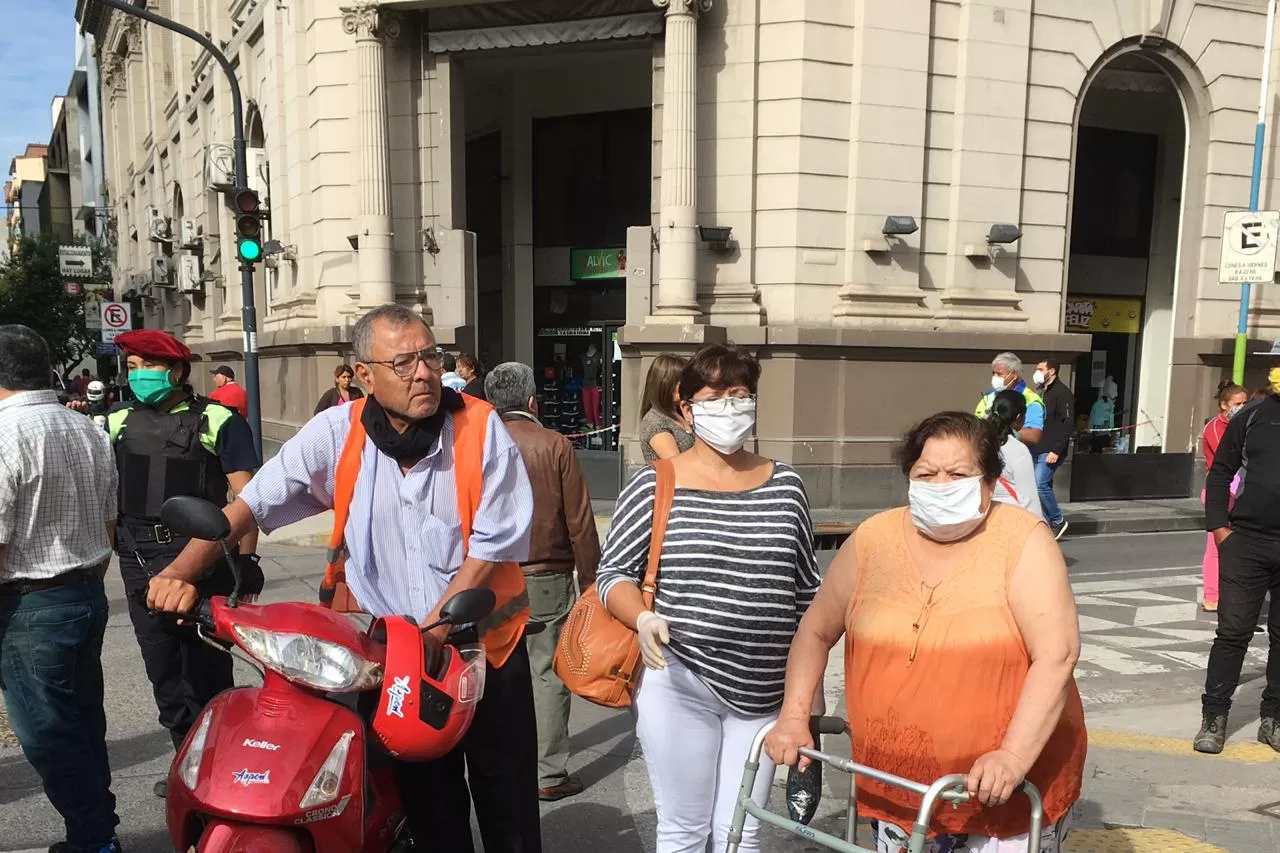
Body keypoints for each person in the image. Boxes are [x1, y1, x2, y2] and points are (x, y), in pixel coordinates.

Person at [147, 304, 541, 853]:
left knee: (509, 810)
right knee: (430, 808)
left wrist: (433, 636)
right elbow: (254, 503)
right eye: (403, 363)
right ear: (363, 375)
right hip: (392, 654)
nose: (424, 372)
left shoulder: (480, 428)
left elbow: (491, 548)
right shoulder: (339, 431)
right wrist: (178, 572)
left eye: (430, 356)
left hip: (483, 650)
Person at [765, 411, 1086, 853]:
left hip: (1000, 793)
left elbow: (1058, 654)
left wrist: (1012, 755)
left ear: (990, 482)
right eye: (926, 473)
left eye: (957, 474)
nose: (940, 485)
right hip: (896, 787)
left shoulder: (1023, 539)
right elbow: (814, 632)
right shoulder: (873, 538)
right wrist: (794, 716)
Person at [597, 343, 822, 853]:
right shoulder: (656, 483)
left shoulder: (787, 485)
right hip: (679, 680)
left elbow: (808, 594)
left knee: (743, 831)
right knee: (685, 830)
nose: (730, 407)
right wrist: (643, 617)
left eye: (740, 395)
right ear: (686, 408)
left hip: (766, 692)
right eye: (715, 396)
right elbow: (612, 575)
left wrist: (808, 694)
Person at [107, 329, 262, 798]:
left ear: (174, 371)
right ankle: (186, 768)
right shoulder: (115, 421)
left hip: (201, 558)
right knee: (165, 673)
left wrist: (247, 562)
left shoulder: (217, 420)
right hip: (138, 558)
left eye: (146, 366)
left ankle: (220, 772)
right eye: (130, 368)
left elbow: (248, 498)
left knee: (207, 674)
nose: (137, 376)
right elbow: (108, 495)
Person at [0, 325, 122, 853]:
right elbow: (108, 521)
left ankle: (94, 838)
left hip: (30, 604)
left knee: (49, 735)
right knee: (82, 723)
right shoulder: (87, 429)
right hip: (84, 592)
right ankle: (96, 829)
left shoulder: (6, 436)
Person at [486, 361, 601, 802]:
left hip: (489, 575)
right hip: (546, 574)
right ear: (533, 401)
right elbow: (580, 523)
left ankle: (499, 762)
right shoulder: (555, 445)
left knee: (493, 669)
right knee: (547, 673)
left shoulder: (476, 444)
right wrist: (592, 583)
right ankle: (548, 772)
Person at [1197, 353, 1280, 754]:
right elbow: (1221, 472)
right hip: (1246, 541)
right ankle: (1214, 717)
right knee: (1233, 634)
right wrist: (1219, 528)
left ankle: (1273, 719)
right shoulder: (1253, 416)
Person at [1200, 381, 1248, 613]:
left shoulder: (1243, 424)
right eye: (1237, 404)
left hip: (1240, 489)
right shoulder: (1215, 428)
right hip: (1220, 492)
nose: (1242, 407)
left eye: (1245, 403)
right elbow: (1229, 456)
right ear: (1223, 405)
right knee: (1216, 546)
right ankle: (1211, 595)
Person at [1032, 359, 1072, 539]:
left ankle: (1057, 521)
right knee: (1041, 485)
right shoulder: (1040, 391)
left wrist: (1057, 450)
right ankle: (1048, 524)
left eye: (1041, 369)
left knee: (1040, 484)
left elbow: (1067, 424)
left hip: (1050, 448)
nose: (1037, 372)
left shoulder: (1062, 393)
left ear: (1052, 371)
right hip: (1037, 445)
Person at [988, 390, 1043, 521]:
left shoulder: (978, 442)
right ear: (1019, 418)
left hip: (979, 519)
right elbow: (1029, 501)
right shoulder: (1018, 450)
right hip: (1009, 520)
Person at [975, 352, 1044, 446]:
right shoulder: (988, 397)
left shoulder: (1031, 399)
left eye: (999, 374)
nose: (995, 377)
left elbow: (1034, 436)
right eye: (993, 373)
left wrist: (1000, 431)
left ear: (1014, 375)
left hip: (1018, 456)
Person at [638, 353, 694, 462]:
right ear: (667, 385)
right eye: (683, 384)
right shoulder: (654, 422)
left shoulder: (680, 412)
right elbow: (677, 463)